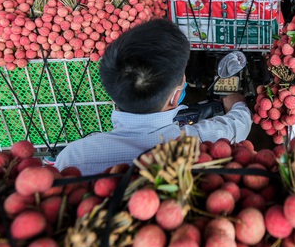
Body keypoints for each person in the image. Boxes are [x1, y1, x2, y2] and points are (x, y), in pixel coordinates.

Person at [54, 19, 252, 175]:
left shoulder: (72, 157)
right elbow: (238, 125)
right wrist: (238, 104)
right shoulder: (202, 143)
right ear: (175, 97)